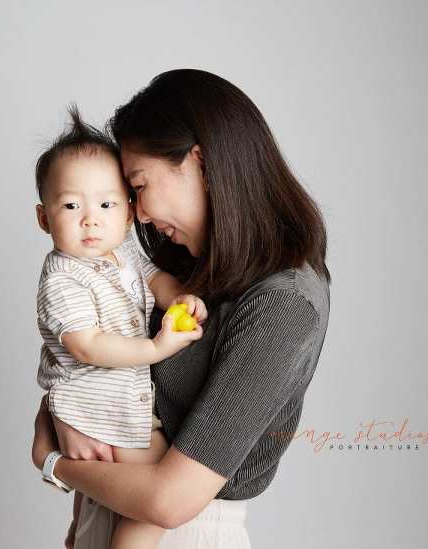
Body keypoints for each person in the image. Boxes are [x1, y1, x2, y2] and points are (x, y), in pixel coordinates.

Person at [32, 69, 332, 549]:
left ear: (201, 164)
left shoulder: (284, 302)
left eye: (139, 186)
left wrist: (53, 462)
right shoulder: (200, 270)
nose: (140, 215)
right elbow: (102, 372)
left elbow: (171, 501)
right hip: (107, 511)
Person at [34, 106, 209, 549]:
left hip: (117, 403)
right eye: (71, 205)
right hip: (97, 408)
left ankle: (78, 536)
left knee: (104, 501)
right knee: (156, 490)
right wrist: (156, 348)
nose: (90, 219)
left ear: (129, 214)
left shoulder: (124, 253)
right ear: (43, 218)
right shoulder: (62, 277)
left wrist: (181, 298)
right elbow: (87, 346)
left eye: (106, 204)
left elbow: (156, 280)